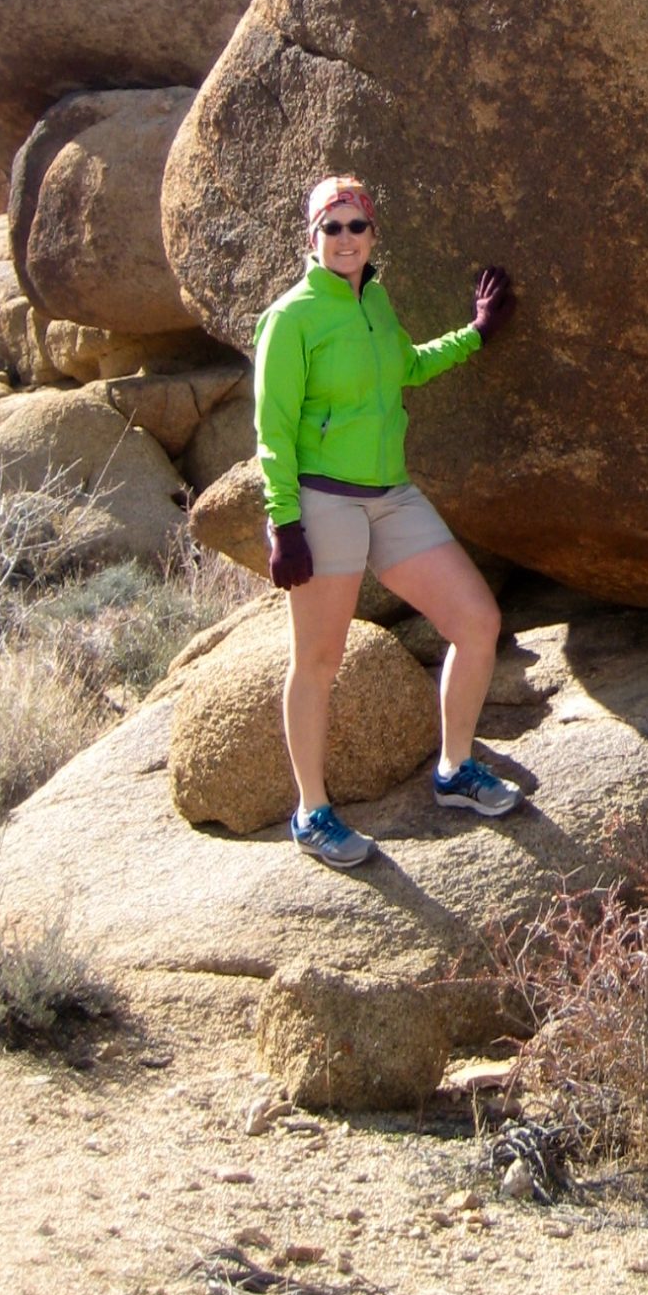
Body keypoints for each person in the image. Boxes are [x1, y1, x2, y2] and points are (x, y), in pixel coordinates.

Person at [254, 174, 522, 867]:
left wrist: (477, 334)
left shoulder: (373, 300)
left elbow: (405, 366)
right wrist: (284, 524)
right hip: (324, 498)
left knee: (477, 622)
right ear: (311, 238)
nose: (345, 238)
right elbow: (273, 430)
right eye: (332, 227)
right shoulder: (292, 318)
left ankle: (456, 769)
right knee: (318, 660)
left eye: (356, 226)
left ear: (373, 234)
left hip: (391, 494)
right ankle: (312, 812)